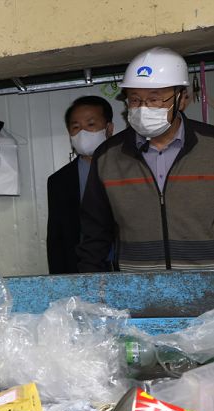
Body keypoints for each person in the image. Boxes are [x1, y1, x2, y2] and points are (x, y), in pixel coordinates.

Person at [77, 47, 214, 272]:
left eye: (155, 99)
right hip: (137, 289)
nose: (143, 108)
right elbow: (95, 234)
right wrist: (89, 290)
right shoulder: (108, 156)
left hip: (207, 286)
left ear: (182, 100)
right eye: (135, 100)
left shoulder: (210, 146)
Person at [46, 96, 114, 273]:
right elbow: (56, 240)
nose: (82, 132)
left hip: (129, 270)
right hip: (82, 272)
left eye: (91, 125)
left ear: (109, 128)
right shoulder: (58, 181)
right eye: (76, 127)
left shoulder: (132, 169)